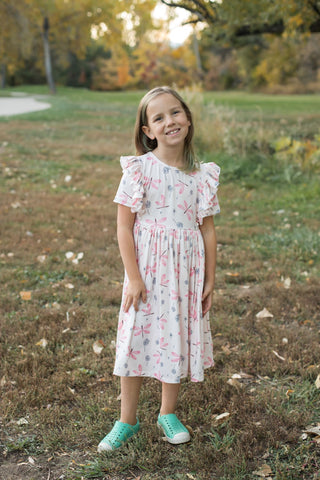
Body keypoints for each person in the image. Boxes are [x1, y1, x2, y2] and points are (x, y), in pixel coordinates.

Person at [98, 86, 220, 452]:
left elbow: (208, 230)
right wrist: (134, 277)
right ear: (147, 130)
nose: (170, 121)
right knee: (136, 336)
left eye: (176, 112)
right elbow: (123, 226)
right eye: (159, 117)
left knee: (175, 335)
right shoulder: (140, 170)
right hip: (147, 272)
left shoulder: (202, 175)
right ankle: (127, 419)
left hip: (186, 272)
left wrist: (210, 278)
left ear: (188, 117)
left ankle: (168, 412)